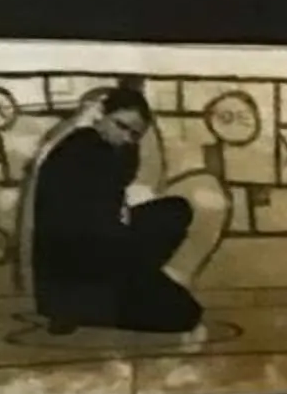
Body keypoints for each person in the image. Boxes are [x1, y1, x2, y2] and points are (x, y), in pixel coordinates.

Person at [28, 85, 202, 335]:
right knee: (184, 314)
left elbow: (113, 215)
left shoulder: (102, 148)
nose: (127, 138)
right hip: (85, 274)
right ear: (102, 115)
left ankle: (105, 299)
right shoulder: (82, 150)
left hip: (99, 258)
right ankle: (83, 308)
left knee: (174, 211)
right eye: (121, 126)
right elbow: (95, 228)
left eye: (135, 135)